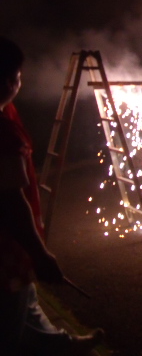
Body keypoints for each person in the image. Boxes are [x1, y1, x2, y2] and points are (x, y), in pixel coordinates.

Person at [0, 38, 104, 355]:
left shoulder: (6, 114)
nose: (19, 83)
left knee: (27, 304)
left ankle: (63, 346)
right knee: (8, 321)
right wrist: (39, 253)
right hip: (6, 250)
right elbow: (10, 201)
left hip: (11, 252)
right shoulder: (3, 133)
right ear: (7, 80)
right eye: (16, 76)